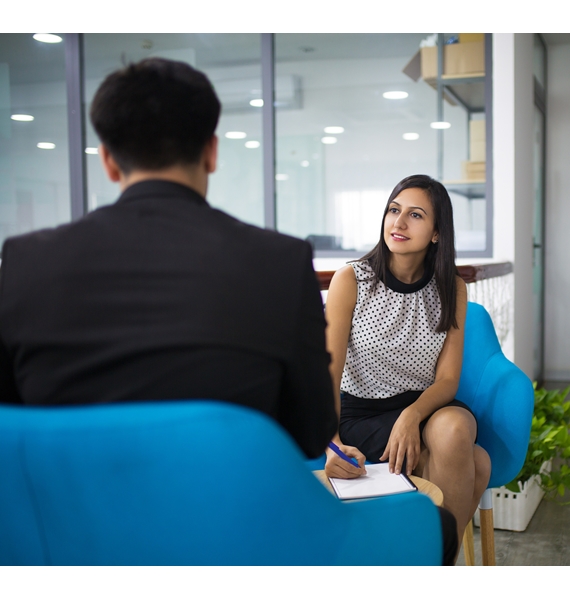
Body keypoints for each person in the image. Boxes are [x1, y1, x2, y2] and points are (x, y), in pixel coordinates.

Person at [0, 57, 336, 459]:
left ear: (108, 161)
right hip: (224, 496)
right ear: (211, 152)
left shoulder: (23, 262)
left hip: (65, 500)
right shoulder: (281, 262)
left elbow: (11, 427)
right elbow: (311, 432)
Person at [324, 174, 492, 555]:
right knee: (478, 463)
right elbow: (327, 375)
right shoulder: (351, 280)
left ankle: (425, 562)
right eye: (393, 210)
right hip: (363, 414)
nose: (398, 223)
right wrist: (332, 446)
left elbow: (447, 379)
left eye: (415, 215)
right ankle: (436, 562)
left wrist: (411, 416)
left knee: (454, 430)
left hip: (426, 408)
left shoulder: (451, 287)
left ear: (437, 233)